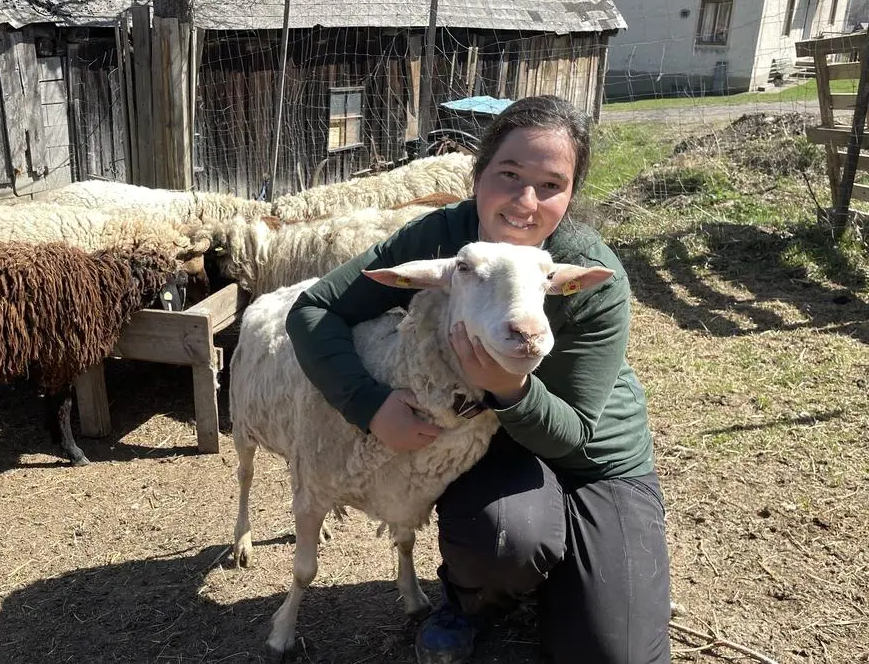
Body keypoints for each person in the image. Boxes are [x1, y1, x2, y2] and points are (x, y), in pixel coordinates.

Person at [284, 94, 671, 663]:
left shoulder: (592, 276)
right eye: (508, 175)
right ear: (478, 174)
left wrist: (507, 388)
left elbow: (575, 434)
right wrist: (368, 406)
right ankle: (472, 602)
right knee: (503, 539)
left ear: (570, 195)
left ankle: (577, 571)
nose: (524, 202)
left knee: (615, 654)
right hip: (487, 447)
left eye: (550, 185)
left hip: (593, 459)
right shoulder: (446, 239)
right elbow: (314, 311)